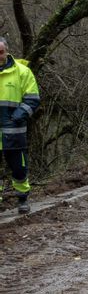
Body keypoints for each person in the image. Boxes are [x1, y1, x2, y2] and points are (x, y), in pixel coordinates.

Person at [0, 37, 40, 214]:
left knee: (19, 167)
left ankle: (22, 198)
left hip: (14, 130)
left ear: (7, 51)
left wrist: (17, 116)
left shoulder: (22, 72)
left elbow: (32, 99)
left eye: (0, 52)